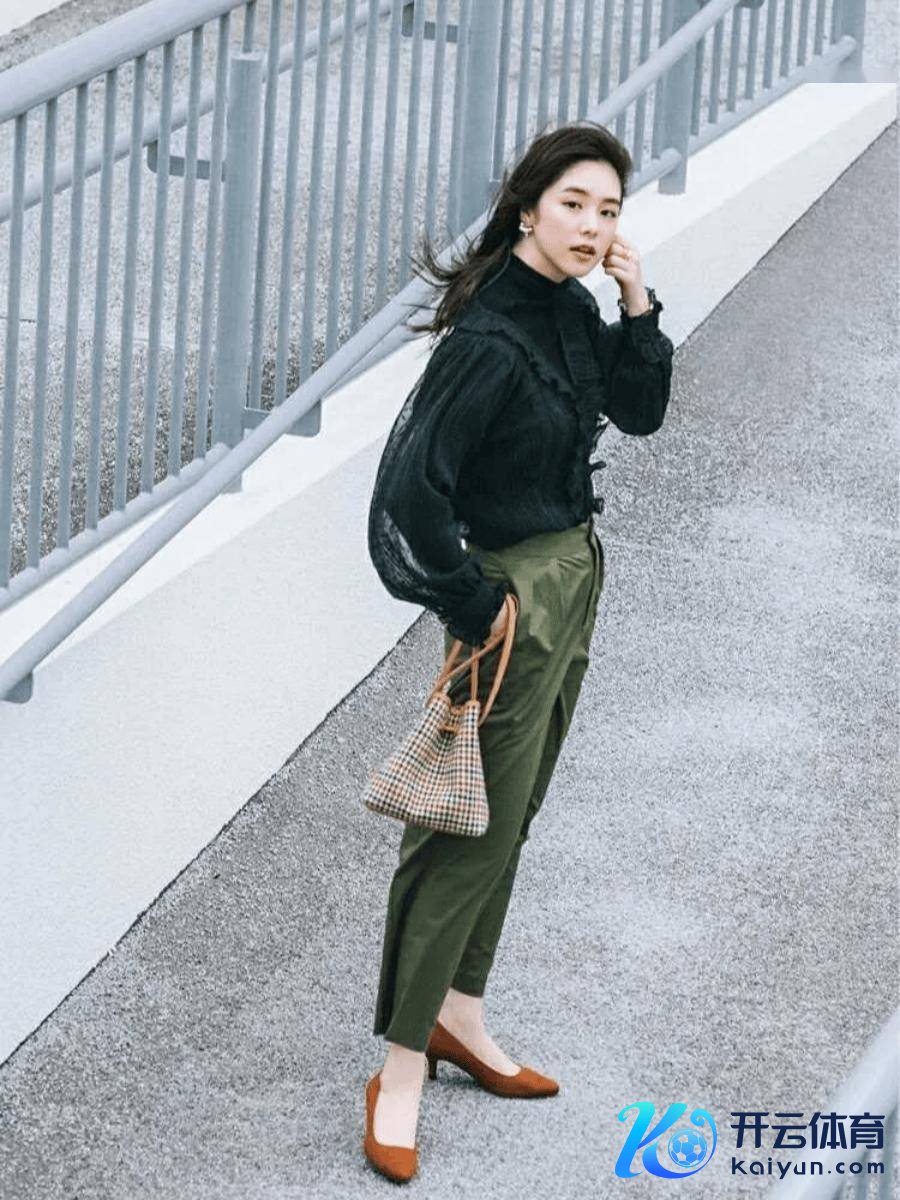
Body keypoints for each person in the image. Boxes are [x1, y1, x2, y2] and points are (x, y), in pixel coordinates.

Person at [363, 121, 674, 1183]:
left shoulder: (574, 310)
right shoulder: (491, 339)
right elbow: (406, 496)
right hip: (513, 599)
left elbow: (641, 411)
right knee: (463, 829)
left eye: (609, 209)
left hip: (572, 578)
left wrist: (636, 300)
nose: (592, 225)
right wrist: (473, 601)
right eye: (575, 204)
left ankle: (459, 1014)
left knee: (515, 810)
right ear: (528, 206)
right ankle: (401, 1068)